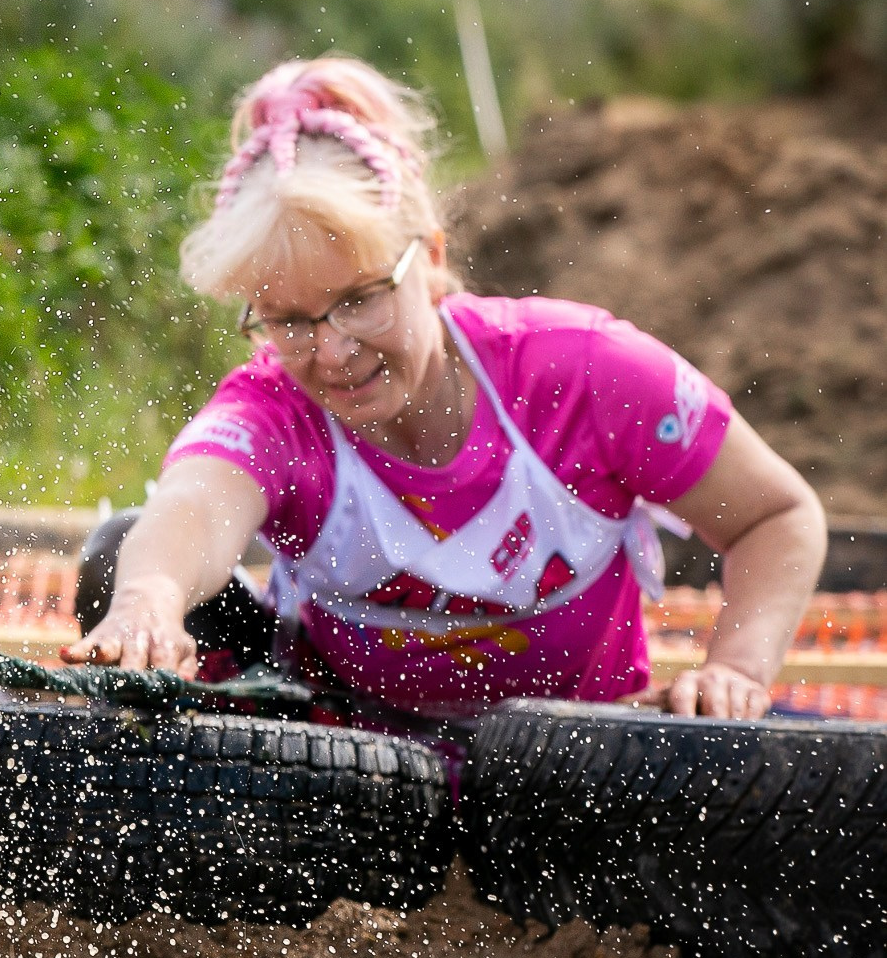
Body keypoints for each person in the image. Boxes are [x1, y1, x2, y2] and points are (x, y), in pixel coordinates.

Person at [68, 57, 825, 723]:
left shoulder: (587, 371)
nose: (333, 351)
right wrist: (147, 604)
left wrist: (736, 670)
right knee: (115, 556)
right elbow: (191, 510)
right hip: (344, 773)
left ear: (429, 258)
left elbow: (777, 514)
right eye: (289, 320)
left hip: (566, 762)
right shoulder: (270, 410)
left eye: (360, 298)